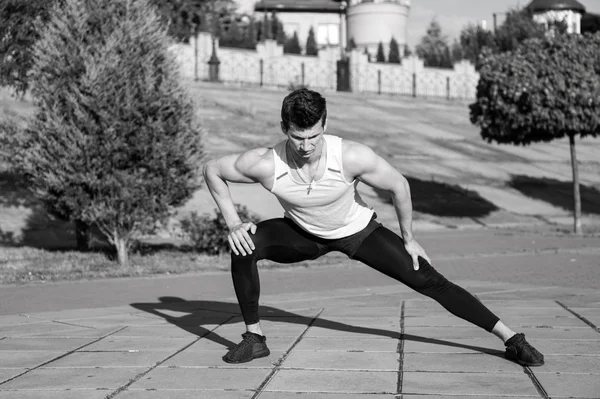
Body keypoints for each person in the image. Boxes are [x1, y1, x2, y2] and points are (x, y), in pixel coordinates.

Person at [203, 88, 544, 366]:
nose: (306, 146)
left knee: (430, 280)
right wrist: (234, 222)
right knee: (243, 244)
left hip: (359, 233)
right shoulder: (265, 163)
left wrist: (409, 238)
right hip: (302, 234)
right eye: (297, 138)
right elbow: (212, 170)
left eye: (314, 136)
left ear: (326, 123)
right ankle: (255, 338)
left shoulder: (351, 156)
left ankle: (510, 338)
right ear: (284, 128)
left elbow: (399, 185)